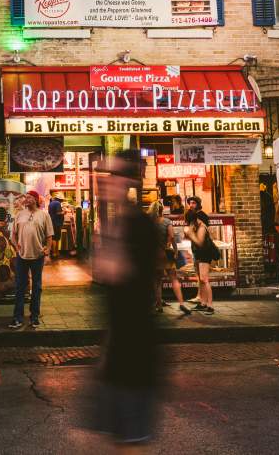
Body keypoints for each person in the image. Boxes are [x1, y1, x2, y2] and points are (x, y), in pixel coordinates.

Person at [86, 151, 160, 450]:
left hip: (136, 349)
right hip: (116, 347)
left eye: (113, 175)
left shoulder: (140, 226)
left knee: (131, 441)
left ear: (129, 181)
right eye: (104, 175)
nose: (105, 181)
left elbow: (115, 272)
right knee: (118, 439)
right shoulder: (117, 224)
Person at [8, 190, 53, 329]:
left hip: (38, 256)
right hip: (22, 256)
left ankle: (34, 317)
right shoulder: (20, 214)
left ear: (35, 199)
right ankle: (18, 318)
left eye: (29, 197)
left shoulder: (44, 216)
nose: (26, 199)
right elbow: (13, 234)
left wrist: (48, 250)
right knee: (20, 287)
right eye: (25, 197)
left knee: (37, 287)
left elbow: (49, 235)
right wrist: (16, 246)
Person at [147, 201, 190, 316]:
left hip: (154, 254)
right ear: (162, 210)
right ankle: (181, 303)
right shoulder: (166, 221)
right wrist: (174, 249)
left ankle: (159, 305)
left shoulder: (149, 223)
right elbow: (171, 236)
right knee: (174, 278)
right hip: (166, 254)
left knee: (157, 281)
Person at [184, 209, 219, 315]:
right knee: (201, 280)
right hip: (200, 254)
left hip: (205, 254)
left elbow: (199, 243)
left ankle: (210, 306)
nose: (189, 224)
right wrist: (188, 234)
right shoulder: (196, 225)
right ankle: (203, 303)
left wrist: (190, 233)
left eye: (189, 221)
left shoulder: (202, 227)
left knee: (204, 279)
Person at [48, 192, 64, 259]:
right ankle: (55, 253)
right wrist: (64, 212)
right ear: (60, 199)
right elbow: (58, 212)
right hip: (56, 223)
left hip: (52, 222)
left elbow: (50, 213)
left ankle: (54, 252)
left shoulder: (51, 203)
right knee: (56, 238)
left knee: (54, 237)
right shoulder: (57, 203)